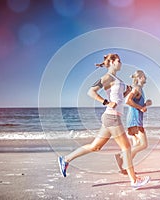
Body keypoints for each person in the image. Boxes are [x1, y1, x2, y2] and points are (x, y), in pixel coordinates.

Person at [58, 54, 150, 189]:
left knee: (95, 146)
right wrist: (106, 102)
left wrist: (127, 91)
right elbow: (91, 91)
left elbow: (119, 98)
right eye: (118, 60)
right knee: (126, 147)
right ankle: (134, 180)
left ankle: (65, 159)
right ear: (112, 62)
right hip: (112, 117)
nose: (121, 63)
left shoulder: (117, 79)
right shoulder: (108, 77)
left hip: (111, 117)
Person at [115, 70, 152, 175]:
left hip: (133, 120)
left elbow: (136, 104)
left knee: (136, 145)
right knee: (143, 144)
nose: (146, 78)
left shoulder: (140, 89)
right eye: (144, 76)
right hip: (135, 121)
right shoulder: (137, 88)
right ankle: (122, 157)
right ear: (139, 78)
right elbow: (128, 101)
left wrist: (146, 104)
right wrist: (141, 107)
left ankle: (125, 163)